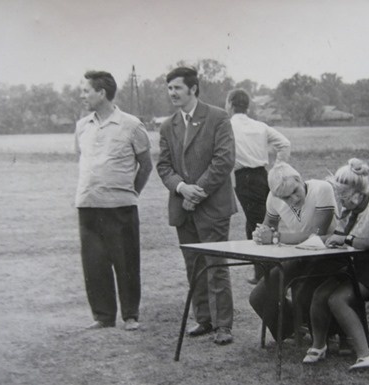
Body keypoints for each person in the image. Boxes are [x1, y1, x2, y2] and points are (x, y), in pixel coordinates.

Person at [156, 66, 237, 345]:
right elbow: (163, 166)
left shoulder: (217, 117)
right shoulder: (167, 126)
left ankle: (224, 325)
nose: (172, 93)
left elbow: (224, 160)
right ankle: (204, 319)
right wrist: (181, 188)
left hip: (212, 207)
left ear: (193, 89)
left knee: (216, 266)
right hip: (183, 208)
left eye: (177, 88)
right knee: (194, 266)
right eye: (169, 88)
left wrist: (196, 192)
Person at [303, 158, 369, 371]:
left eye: (345, 196)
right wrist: (323, 243)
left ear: (360, 191)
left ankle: (366, 356)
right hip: (359, 264)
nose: (341, 201)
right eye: (339, 195)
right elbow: (339, 235)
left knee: (338, 299)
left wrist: (345, 240)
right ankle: (318, 346)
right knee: (320, 293)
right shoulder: (350, 210)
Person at [74, 70, 152, 331]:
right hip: (88, 205)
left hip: (121, 206)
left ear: (102, 93)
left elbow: (146, 165)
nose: (82, 95)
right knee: (94, 264)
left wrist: (130, 193)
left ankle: (130, 315)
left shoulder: (131, 125)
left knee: (126, 262)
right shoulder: (82, 126)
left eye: (86, 90)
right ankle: (103, 316)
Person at [249, 162, 344, 341]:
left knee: (304, 294)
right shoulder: (274, 197)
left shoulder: (322, 189)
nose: (293, 199)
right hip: (299, 256)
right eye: (286, 198)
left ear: (299, 179)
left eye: (295, 191)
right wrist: (260, 234)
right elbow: (267, 227)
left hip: (329, 255)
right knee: (258, 297)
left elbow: (316, 235)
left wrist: (275, 237)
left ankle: (326, 331)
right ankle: (291, 329)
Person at [225, 88, 291, 284]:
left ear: (230, 104)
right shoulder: (260, 126)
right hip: (263, 175)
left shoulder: (227, 126)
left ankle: (266, 274)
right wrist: (278, 167)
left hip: (243, 177)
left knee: (258, 222)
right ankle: (263, 271)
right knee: (262, 219)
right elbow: (284, 144)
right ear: (247, 106)